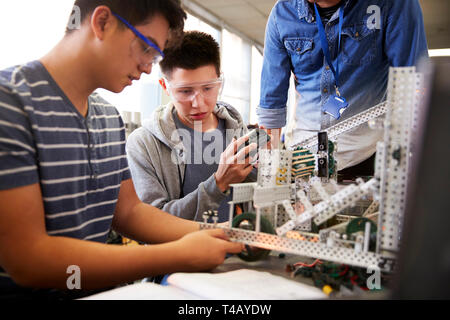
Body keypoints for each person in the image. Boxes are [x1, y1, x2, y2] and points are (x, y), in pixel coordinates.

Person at [0, 0, 243, 299]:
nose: (147, 66)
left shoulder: (107, 117)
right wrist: (177, 255)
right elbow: (27, 260)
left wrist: (223, 234)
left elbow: (129, 213)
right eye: (145, 47)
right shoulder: (9, 103)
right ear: (102, 22)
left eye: (155, 56)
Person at [257, 0, 428, 178]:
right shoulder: (282, 13)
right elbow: (270, 106)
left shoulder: (393, 4)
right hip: (303, 160)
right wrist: (268, 171)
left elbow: (414, 84)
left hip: (367, 157)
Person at [126, 31, 257, 223]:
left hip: (234, 250)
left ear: (219, 80)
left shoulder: (236, 130)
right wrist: (218, 184)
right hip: (176, 253)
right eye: (185, 91)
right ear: (165, 85)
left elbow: (252, 199)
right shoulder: (143, 144)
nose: (199, 103)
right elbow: (151, 224)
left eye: (208, 88)